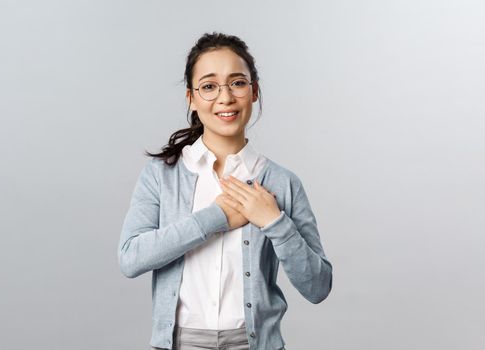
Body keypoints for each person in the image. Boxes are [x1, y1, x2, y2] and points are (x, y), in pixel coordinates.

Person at [117, 32, 333, 350]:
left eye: (237, 83)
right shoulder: (162, 175)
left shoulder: (282, 182)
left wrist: (275, 223)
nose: (225, 97)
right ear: (191, 97)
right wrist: (216, 217)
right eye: (209, 86)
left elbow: (318, 286)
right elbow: (130, 258)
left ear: (254, 91)